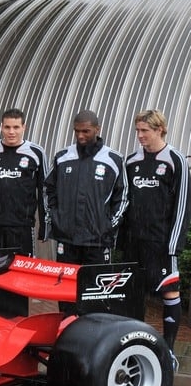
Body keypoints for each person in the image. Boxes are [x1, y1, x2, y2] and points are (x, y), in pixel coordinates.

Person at [121, 109, 190, 363]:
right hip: (134, 244)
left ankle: (169, 350)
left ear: (159, 129)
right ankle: (137, 347)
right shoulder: (130, 162)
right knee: (133, 294)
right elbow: (124, 203)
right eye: (137, 130)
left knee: (169, 293)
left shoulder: (175, 160)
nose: (139, 136)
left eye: (144, 131)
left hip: (162, 244)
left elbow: (183, 205)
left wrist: (174, 244)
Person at [44, 109, 128, 312]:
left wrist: (108, 225)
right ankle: (66, 330)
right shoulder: (63, 157)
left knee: (96, 295)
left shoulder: (113, 159)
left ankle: (93, 336)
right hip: (67, 239)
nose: (80, 136)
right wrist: (56, 218)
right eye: (77, 131)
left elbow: (123, 196)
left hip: (98, 241)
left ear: (97, 130)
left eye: (86, 131)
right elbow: (48, 189)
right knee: (66, 292)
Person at [0, 108, 48, 257]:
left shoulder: (36, 153)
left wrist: (44, 227)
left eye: (16, 127)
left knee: (22, 272)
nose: (11, 132)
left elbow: (44, 192)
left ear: (24, 127)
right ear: (1, 127)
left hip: (23, 226)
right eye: (7, 127)